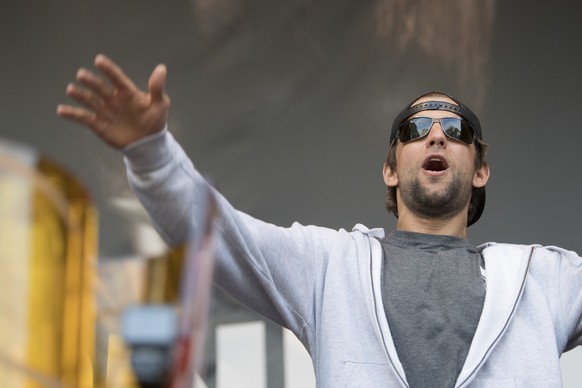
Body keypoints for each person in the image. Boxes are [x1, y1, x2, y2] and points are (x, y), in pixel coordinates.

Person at [58, 54, 582, 387]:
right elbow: (218, 236)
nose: (437, 135)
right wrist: (151, 154)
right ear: (390, 169)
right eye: (417, 126)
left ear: (482, 169)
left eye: (457, 128)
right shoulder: (331, 265)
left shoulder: (546, 279)